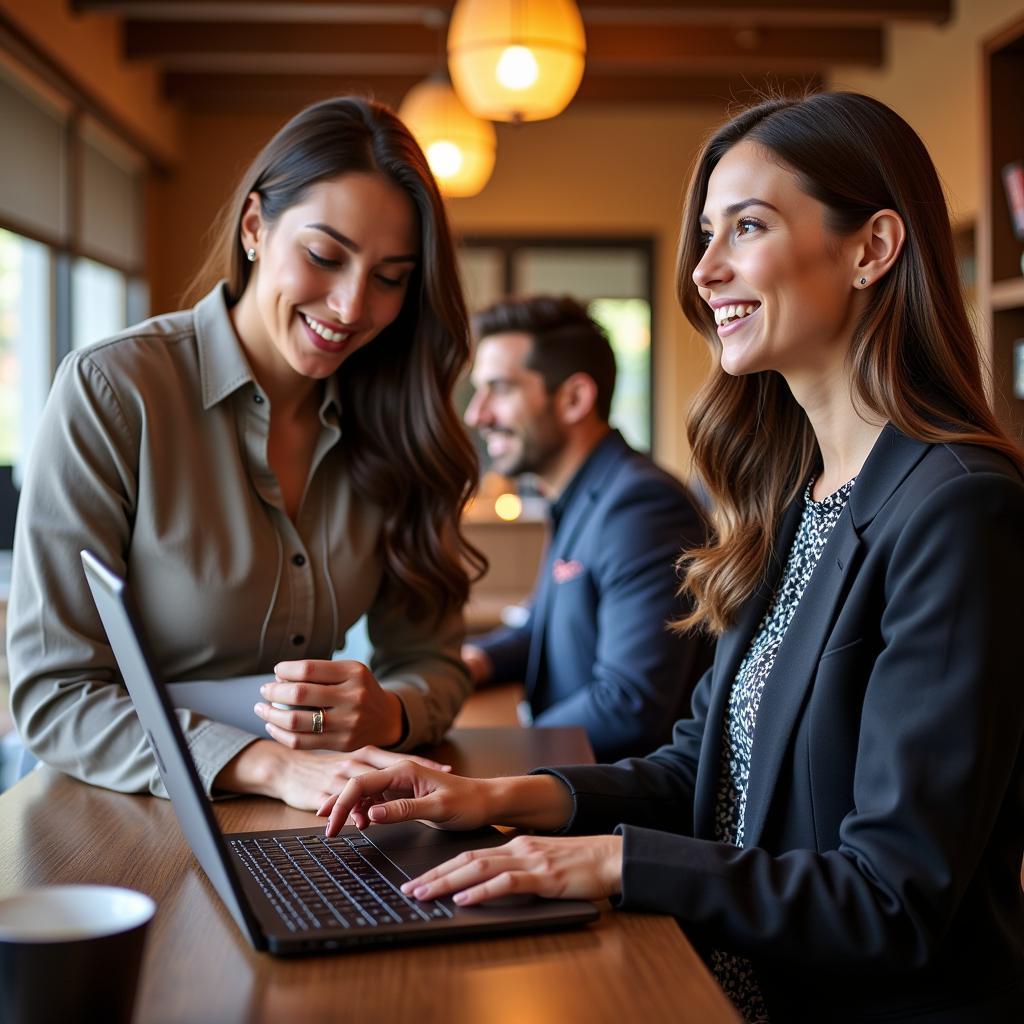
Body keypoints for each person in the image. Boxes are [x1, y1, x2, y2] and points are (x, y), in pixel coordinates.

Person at [317, 92, 1024, 1022]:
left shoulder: (958, 508)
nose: (704, 270)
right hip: (725, 966)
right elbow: (702, 770)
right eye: (704, 235)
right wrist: (487, 795)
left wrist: (611, 860)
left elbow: (891, 899)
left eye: (748, 226)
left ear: (873, 249)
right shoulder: (794, 491)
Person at [7, 97, 484, 810]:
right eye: (325, 256)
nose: (353, 306)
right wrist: (264, 765)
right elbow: (54, 693)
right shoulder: (114, 389)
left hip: (307, 813)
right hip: (118, 813)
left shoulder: (397, 420)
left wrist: (393, 711)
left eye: (390, 278)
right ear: (256, 226)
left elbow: (432, 662)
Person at [460, 296, 711, 760]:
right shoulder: (582, 497)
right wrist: (470, 663)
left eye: (499, 388)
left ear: (574, 398)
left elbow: (628, 706)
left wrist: (495, 759)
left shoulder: (639, 507)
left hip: (621, 811)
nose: (477, 414)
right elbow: (540, 626)